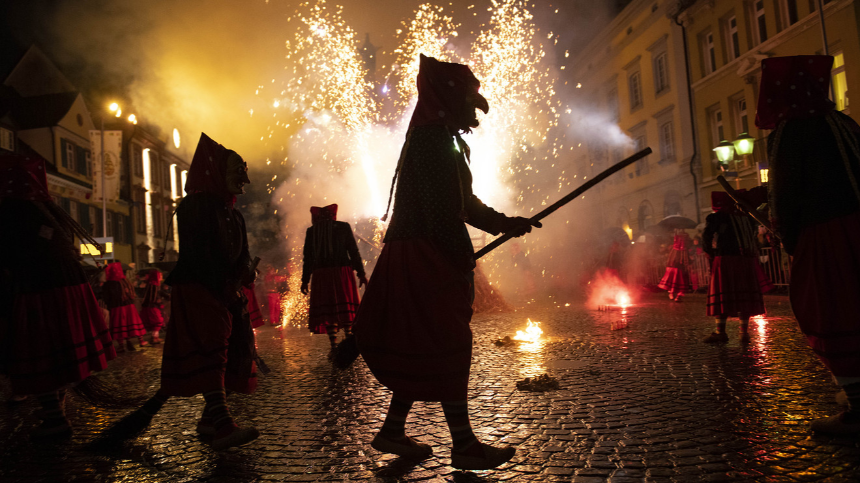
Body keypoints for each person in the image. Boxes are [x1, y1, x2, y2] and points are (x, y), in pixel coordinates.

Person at [352, 54, 540, 470]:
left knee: (427, 345)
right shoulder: (434, 140)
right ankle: (464, 444)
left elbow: (463, 203)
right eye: (469, 101)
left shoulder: (439, 137)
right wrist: (459, 258)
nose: (475, 110)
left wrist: (507, 224)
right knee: (450, 345)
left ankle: (393, 431)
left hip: (424, 252)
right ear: (448, 100)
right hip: (426, 256)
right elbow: (444, 212)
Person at [135, 133, 260, 451]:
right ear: (216, 172)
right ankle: (221, 424)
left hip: (225, 290)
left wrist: (246, 271)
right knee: (213, 349)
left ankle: (209, 418)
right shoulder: (194, 207)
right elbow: (200, 253)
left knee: (238, 348)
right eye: (237, 170)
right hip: (199, 289)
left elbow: (241, 253)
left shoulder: (234, 213)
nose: (244, 178)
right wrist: (226, 283)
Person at [760, 55, 860, 434]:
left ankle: (856, 408)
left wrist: (787, 236)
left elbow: (784, 192)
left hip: (826, 235)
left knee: (833, 312)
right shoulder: (844, 122)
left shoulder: (791, 131)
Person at [0, 154, 116, 437]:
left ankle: (54, 419)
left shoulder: (11, 212)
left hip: (36, 293)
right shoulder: (49, 210)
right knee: (57, 357)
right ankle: (56, 410)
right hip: (66, 290)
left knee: (40, 356)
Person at [702, 188, 773, 344]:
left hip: (725, 260)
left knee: (724, 295)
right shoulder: (747, 217)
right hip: (746, 261)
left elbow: (706, 236)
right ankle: (744, 333)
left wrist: (710, 253)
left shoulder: (717, 217)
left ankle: (720, 332)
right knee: (744, 296)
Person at [300, 204, 367, 350]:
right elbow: (353, 252)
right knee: (345, 306)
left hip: (321, 275)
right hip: (341, 272)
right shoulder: (343, 227)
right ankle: (348, 339)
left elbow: (308, 258)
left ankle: (334, 345)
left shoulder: (312, 231)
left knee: (329, 310)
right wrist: (361, 274)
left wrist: (305, 280)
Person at [103, 262, 147, 352]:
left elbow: (107, 296)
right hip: (129, 306)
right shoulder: (125, 280)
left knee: (120, 325)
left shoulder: (110, 283)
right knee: (129, 324)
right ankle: (130, 342)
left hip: (117, 307)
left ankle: (121, 345)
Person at [658, 229, 693, 301]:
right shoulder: (674, 249)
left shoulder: (684, 250)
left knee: (681, 279)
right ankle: (672, 293)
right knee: (674, 278)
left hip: (680, 266)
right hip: (674, 265)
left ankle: (678, 295)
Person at [139, 270, 168, 344]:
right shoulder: (153, 285)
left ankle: (154, 337)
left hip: (149, 306)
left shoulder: (152, 284)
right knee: (157, 321)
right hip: (151, 307)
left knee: (155, 322)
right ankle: (154, 338)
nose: (161, 278)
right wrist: (159, 302)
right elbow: (154, 297)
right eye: (160, 276)